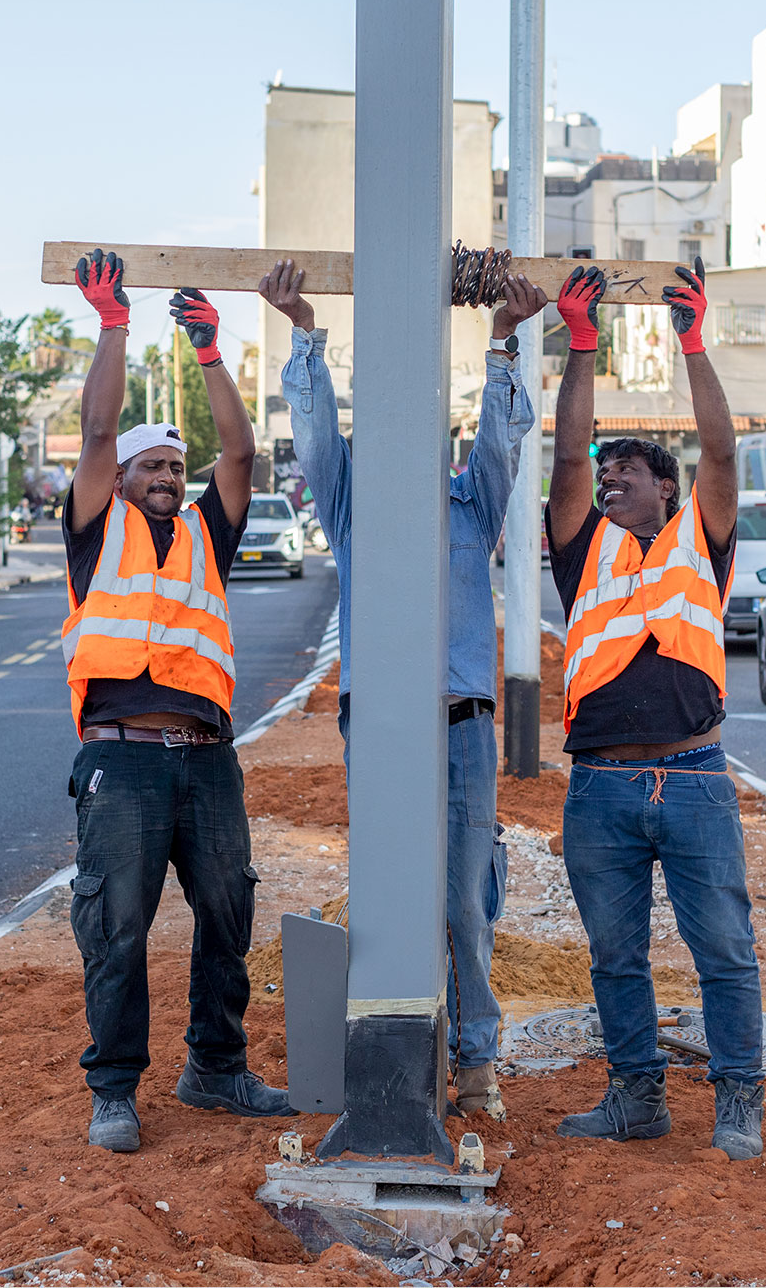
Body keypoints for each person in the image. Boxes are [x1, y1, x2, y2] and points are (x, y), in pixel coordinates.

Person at [260, 257, 546, 1121]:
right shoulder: (350, 508)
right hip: (379, 723)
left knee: (462, 895)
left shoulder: (473, 507)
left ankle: (474, 1064)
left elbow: (504, 436)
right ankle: (384, 1059)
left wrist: (505, 342)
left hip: (460, 726)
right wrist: (304, 332)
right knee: (386, 887)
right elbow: (315, 437)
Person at [60, 250, 292, 1153]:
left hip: (206, 756)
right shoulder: (95, 528)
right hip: (120, 757)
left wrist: (209, 354)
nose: (167, 474)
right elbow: (92, 430)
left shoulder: (205, 532)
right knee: (117, 923)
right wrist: (115, 325)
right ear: (120, 479)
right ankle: (115, 1089)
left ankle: (216, 1067)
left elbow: (239, 450)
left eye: (173, 464)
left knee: (229, 908)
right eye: (151, 464)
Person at [545, 261, 766, 1159]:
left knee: (723, 949)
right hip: (599, 786)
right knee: (614, 956)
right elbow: (566, 455)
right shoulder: (582, 553)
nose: (610, 482)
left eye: (629, 472)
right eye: (608, 476)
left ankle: (738, 1100)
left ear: (667, 491)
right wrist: (582, 346)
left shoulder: (697, 541)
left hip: (694, 778)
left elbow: (721, 451)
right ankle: (637, 1096)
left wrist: (692, 340)